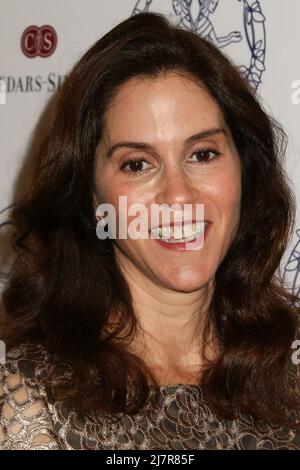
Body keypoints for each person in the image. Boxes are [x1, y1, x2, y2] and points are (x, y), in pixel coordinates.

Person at [0, 11, 300, 450]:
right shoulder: (27, 403)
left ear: (246, 168)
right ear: (89, 195)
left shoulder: (290, 371)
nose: (178, 196)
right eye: (137, 164)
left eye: (202, 154)